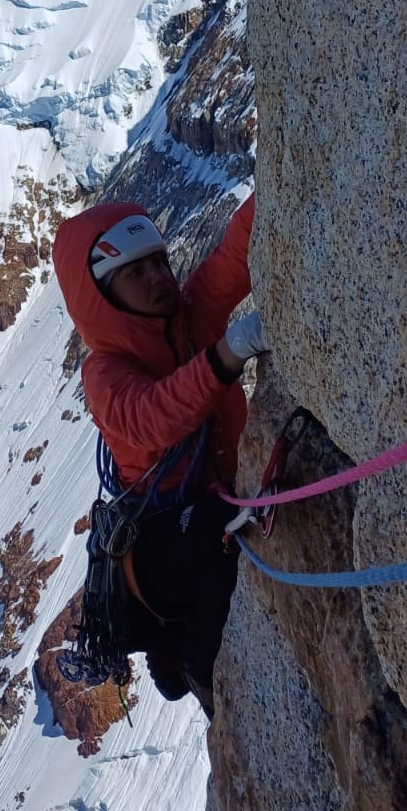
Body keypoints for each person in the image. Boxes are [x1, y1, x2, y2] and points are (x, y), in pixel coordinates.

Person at [51, 194, 267, 713]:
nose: (157, 278)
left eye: (159, 262)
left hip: (180, 534)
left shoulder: (189, 315)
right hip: (155, 546)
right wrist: (225, 355)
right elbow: (152, 418)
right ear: (103, 293)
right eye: (135, 272)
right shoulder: (104, 373)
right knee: (225, 526)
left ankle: (175, 652)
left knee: (222, 523)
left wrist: (275, 186)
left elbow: (231, 262)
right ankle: (200, 665)